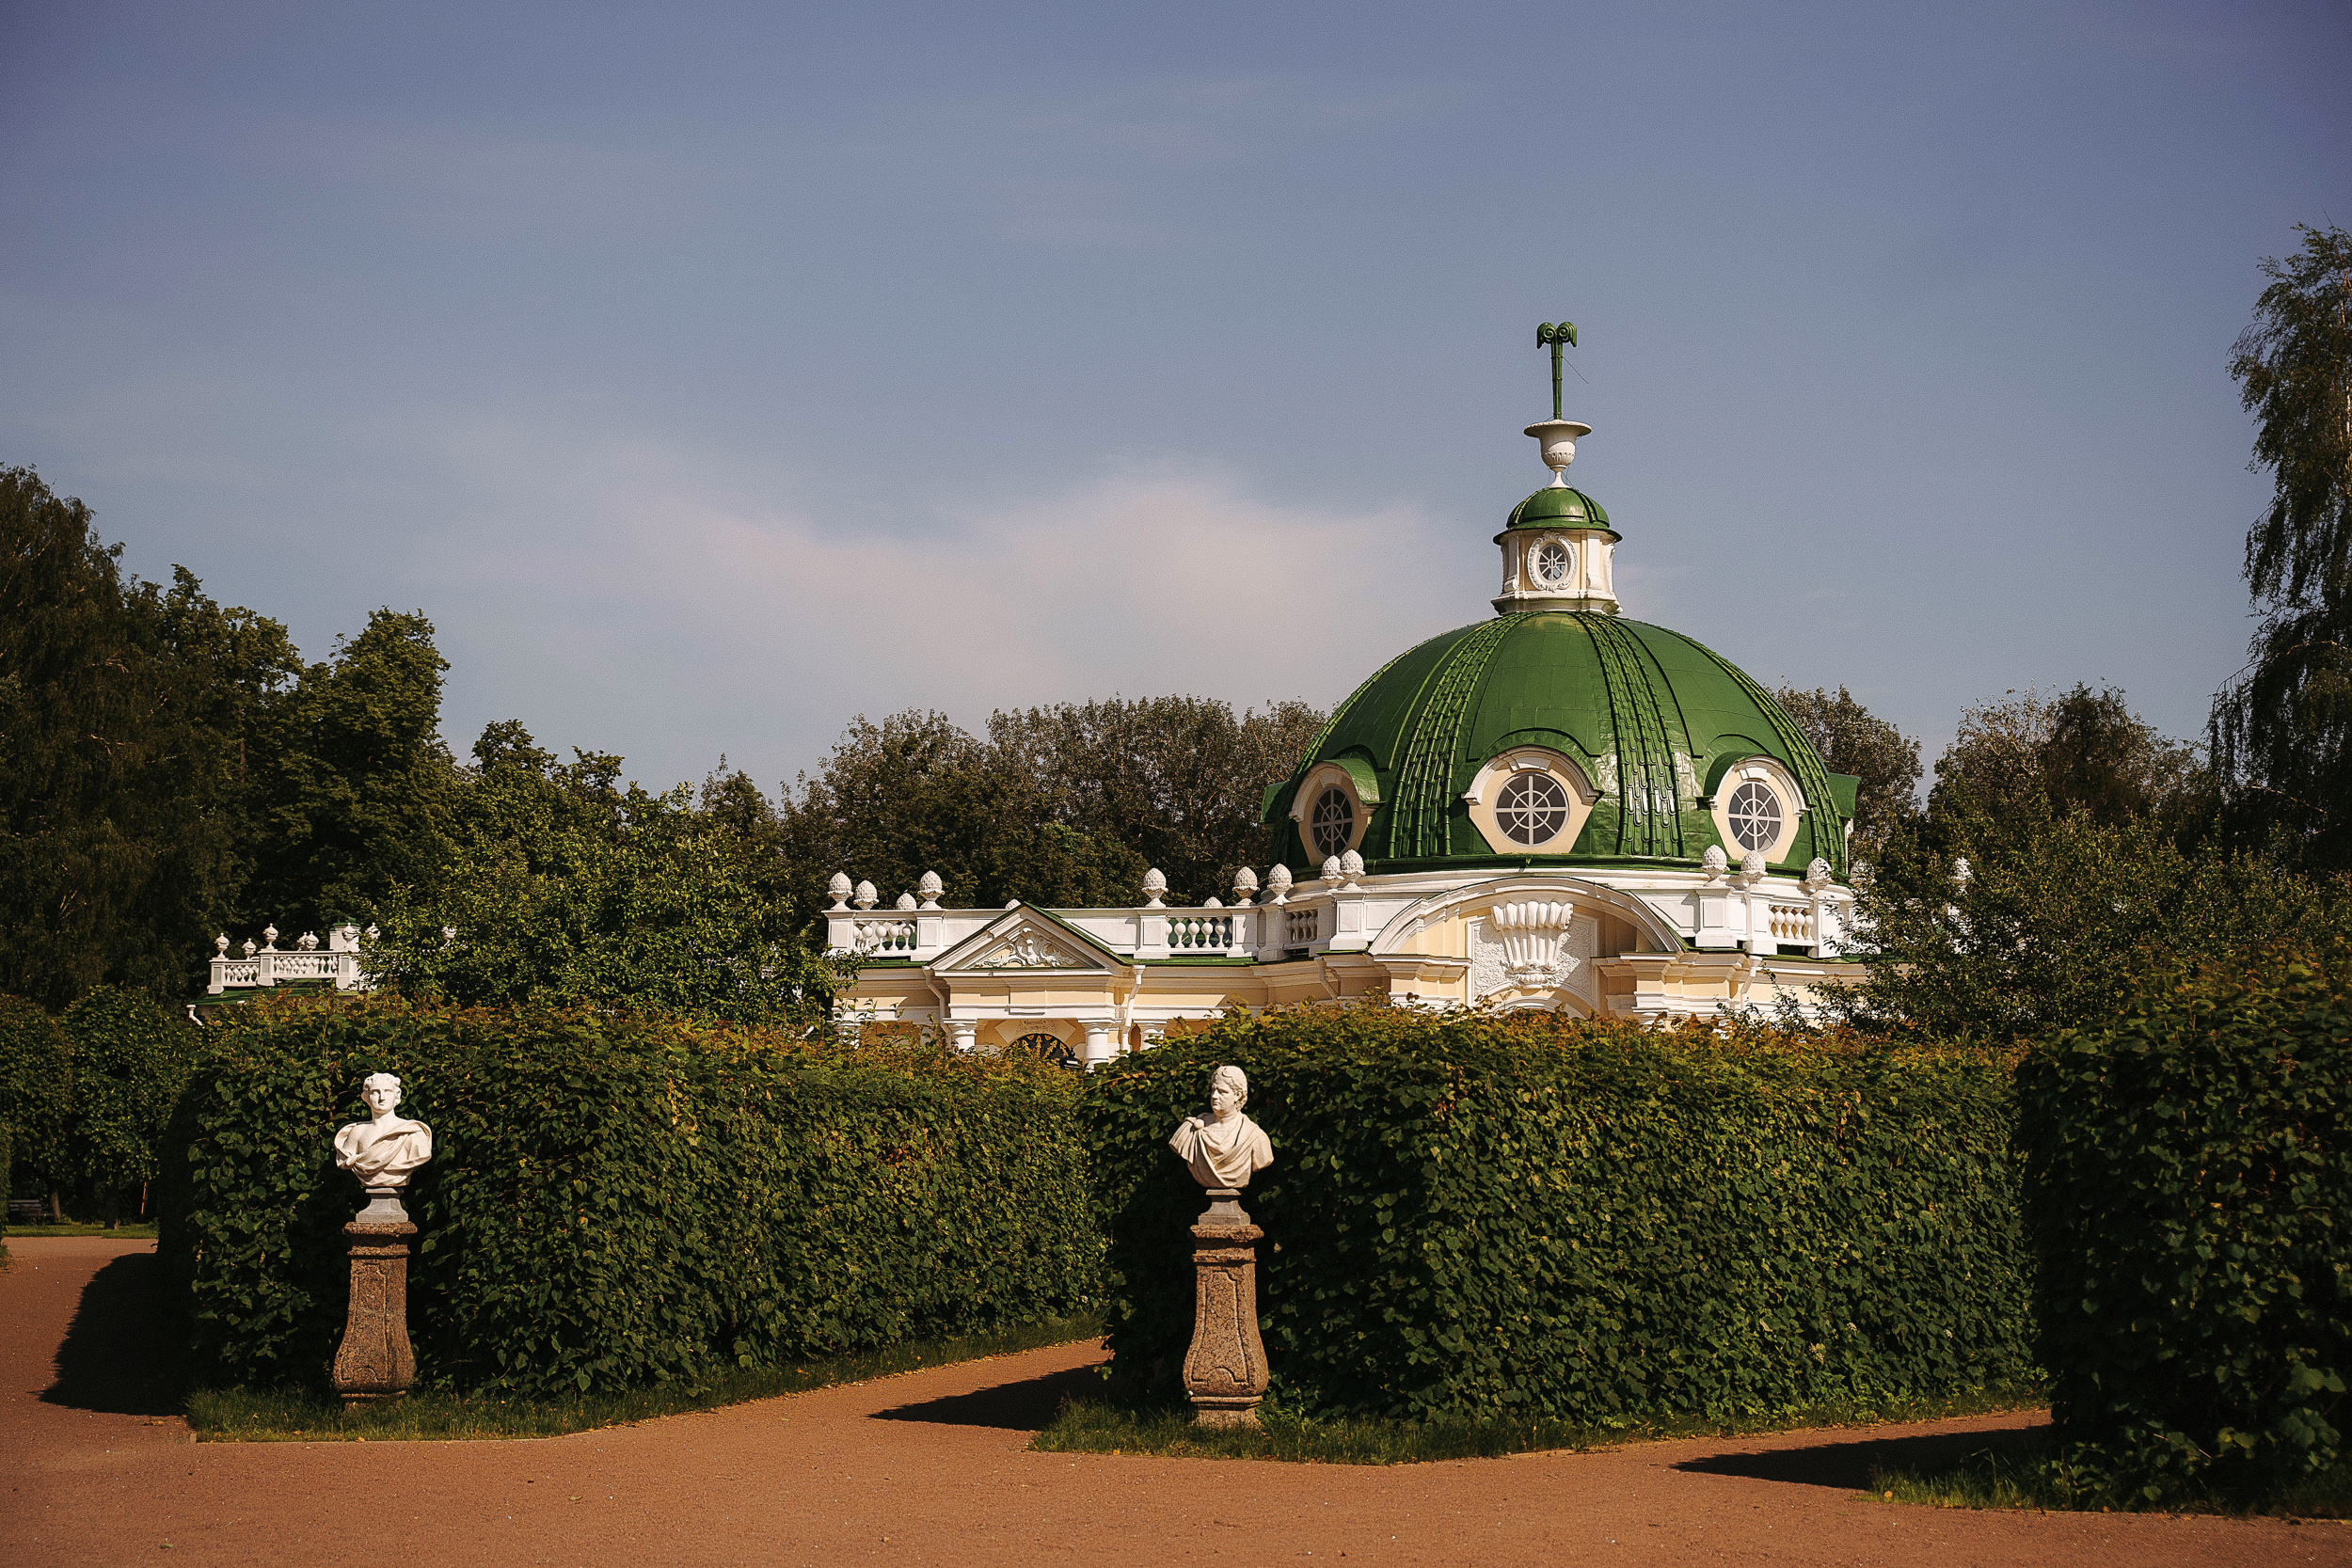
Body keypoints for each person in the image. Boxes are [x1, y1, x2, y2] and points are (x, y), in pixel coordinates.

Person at [1168, 1064, 1273, 1191]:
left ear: (1237, 1095)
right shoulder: (1190, 1130)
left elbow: (1264, 1159)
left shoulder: (1255, 1137)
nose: (1214, 1096)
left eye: (1222, 1092)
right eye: (1213, 1090)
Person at [333, 1072, 435, 1189]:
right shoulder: (357, 1132)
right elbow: (345, 1160)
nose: (382, 1097)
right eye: (375, 1092)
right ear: (366, 1097)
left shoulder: (412, 1133)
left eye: (387, 1091)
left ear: (397, 1095)